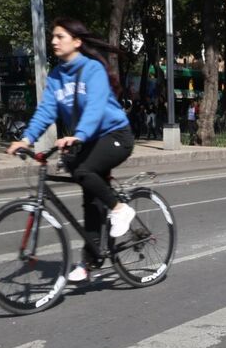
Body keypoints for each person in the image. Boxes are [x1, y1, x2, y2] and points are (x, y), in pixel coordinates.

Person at [7, 17, 135, 283]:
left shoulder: (92, 69)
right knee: (89, 196)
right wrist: (27, 139)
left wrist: (78, 135)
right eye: (53, 37)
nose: (54, 41)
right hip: (87, 139)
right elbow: (46, 111)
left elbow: (95, 108)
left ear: (76, 41)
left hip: (115, 136)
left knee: (83, 170)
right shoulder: (56, 76)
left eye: (60, 36)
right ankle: (91, 260)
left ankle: (120, 208)